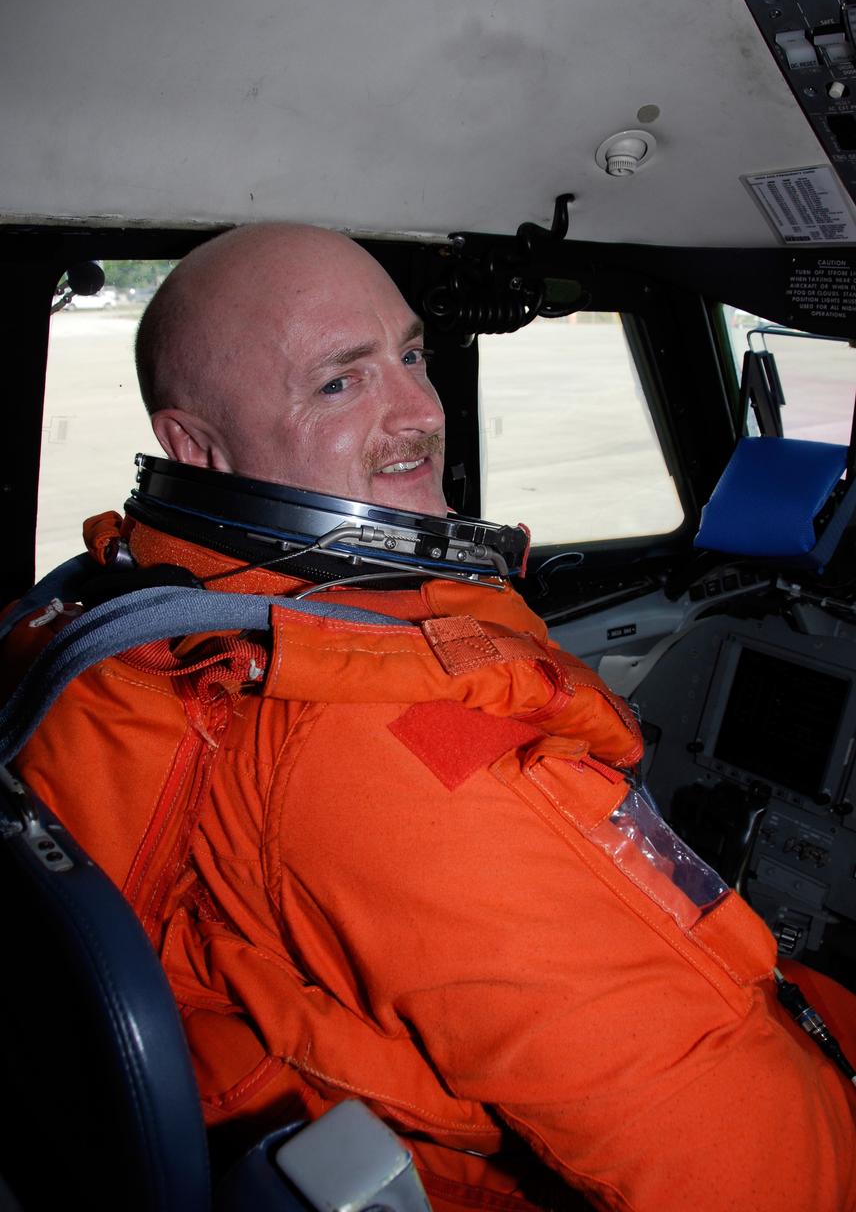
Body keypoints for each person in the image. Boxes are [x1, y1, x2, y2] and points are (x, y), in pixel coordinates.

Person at [4, 224, 856, 1212]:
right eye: (340, 382)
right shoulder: (396, 747)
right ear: (196, 445)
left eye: (409, 354)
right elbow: (753, 1168)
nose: (418, 408)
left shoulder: (117, 615)